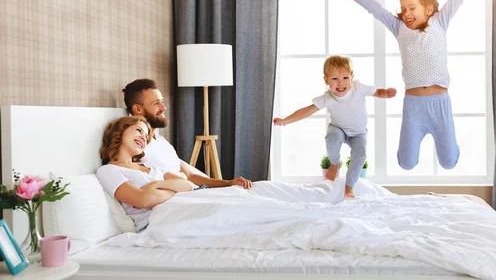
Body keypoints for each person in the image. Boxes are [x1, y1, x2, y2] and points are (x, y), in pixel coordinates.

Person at [324, 0, 496, 171]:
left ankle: (450, 145)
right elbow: (372, 6)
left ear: (429, 10)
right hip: (414, 106)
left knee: (449, 163)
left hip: (440, 103)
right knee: (406, 163)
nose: (406, 13)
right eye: (403, 9)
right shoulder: (399, 28)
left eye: (412, 8)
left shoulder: (440, 21)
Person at [273, 55, 396, 198]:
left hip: (359, 133)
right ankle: (334, 163)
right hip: (338, 128)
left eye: (345, 78)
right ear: (326, 80)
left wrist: (386, 93)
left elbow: (377, 92)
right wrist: (285, 120)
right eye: (334, 79)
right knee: (332, 137)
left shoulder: (359, 88)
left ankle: (349, 187)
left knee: (360, 154)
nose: (340, 83)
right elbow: (307, 111)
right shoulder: (327, 97)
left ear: (352, 76)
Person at [122, 79, 252, 190]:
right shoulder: (136, 147)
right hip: (180, 197)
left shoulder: (161, 141)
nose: (163, 107)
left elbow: (190, 176)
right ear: (138, 109)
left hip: (194, 190)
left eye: (161, 101)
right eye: (156, 103)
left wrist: (229, 183)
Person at [96, 116, 197, 231]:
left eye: (146, 136)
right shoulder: (108, 171)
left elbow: (187, 185)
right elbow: (143, 200)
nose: (143, 138)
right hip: (157, 222)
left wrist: (155, 185)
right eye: (139, 130)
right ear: (121, 130)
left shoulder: (148, 165)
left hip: (178, 209)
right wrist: (174, 190)